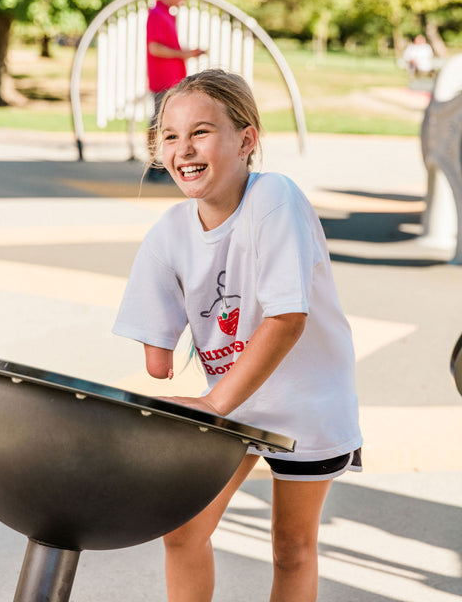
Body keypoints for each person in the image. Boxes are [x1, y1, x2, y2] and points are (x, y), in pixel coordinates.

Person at [113, 69, 363, 602]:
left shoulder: (275, 196)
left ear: (246, 139)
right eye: (170, 136)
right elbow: (159, 363)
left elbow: (286, 319)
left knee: (291, 548)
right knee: (183, 532)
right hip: (232, 404)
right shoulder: (169, 233)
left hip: (305, 401)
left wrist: (212, 402)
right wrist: (162, 284)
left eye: (201, 132)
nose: (183, 149)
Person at [145, 0, 205, 182]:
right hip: (163, 79)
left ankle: (167, 163)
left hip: (174, 79)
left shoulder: (168, 14)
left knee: (174, 122)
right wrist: (184, 54)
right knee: (158, 121)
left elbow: (168, 46)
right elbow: (154, 48)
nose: (183, 0)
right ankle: (153, 164)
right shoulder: (156, 14)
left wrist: (187, 53)